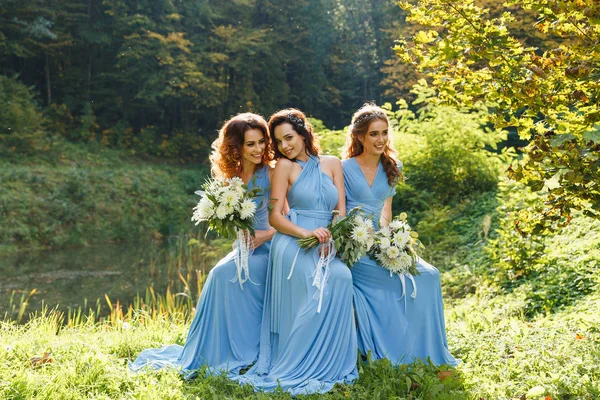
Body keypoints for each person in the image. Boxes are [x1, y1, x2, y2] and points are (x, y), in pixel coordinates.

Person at [130, 113, 276, 378]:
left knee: (225, 274)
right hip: (245, 248)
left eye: (261, 142)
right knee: (218, 274)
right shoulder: (230, 177)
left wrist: (264, 236)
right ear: (237, 147)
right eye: (250, 144)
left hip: (271, 245)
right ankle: (215, 348)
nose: (258, 149)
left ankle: (248, 349)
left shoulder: (273, 172)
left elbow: (289, 217)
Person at [234, 109, 358, 395]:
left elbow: (340, 211)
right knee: (316, 285)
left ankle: (330, 360)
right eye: (278, 141)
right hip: (293, 241)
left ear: (303, 134)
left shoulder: (332, 164)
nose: (284, 146)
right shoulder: (283, 168)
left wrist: (333, 240)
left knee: (341, 277)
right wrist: (307, 235)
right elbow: (276, 217)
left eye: (288, 138)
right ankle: (297, 360)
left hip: (326, 241)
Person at [342, 104, 458, 366]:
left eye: (384, 132)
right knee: (393, 283)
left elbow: (386, 211)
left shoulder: (393, 166)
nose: (380, 139)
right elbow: (337, 211)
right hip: (354, 247)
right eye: (373, 134)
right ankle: (392, 346)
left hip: (380, 244)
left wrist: (390, 242)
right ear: (359, 136)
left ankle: (424, 347)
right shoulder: (343, 168)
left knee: (429, 275)